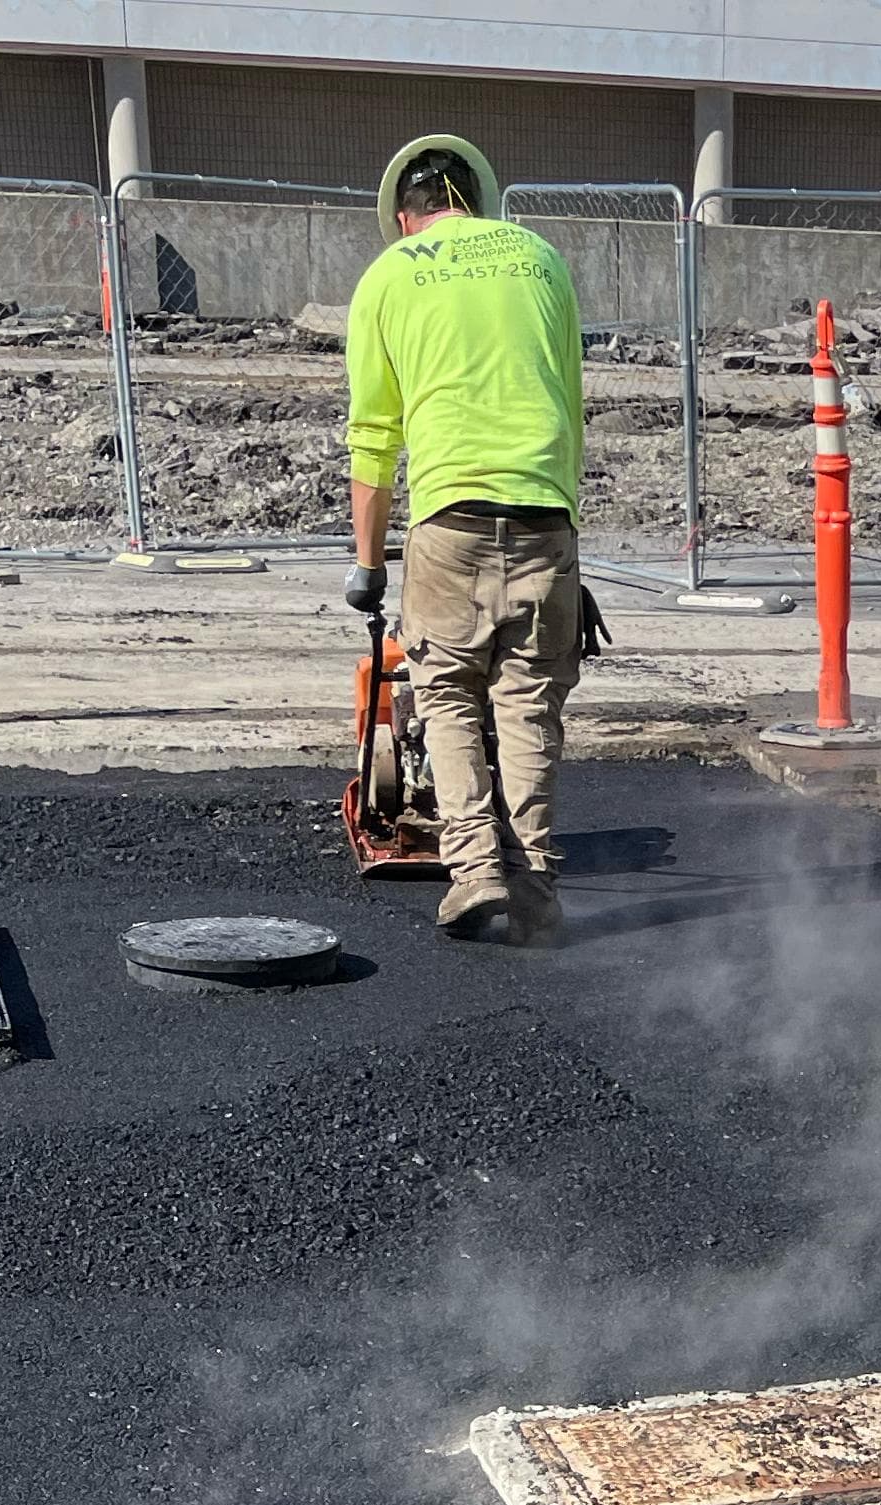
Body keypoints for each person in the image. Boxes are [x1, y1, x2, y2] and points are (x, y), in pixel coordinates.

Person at [344, 133, 585, 946]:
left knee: (445, 694)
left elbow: (373, 435)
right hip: (546, 516)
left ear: (407, 219)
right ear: (472, 201)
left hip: (450, 521)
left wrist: (368, 566)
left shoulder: (388, 276)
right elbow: (567, 400)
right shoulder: (542, 260)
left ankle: (476, 873)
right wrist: (566, 533)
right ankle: (537, 885)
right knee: (528, 704)